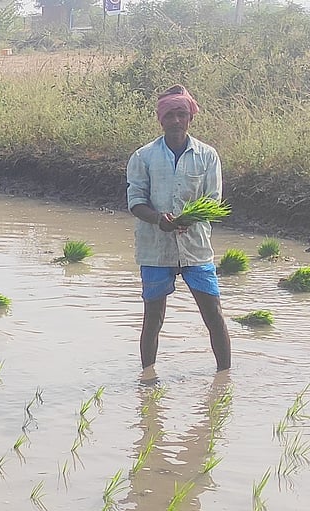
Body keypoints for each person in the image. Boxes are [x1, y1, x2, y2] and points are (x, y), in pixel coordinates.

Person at [126, 85, 230, 373]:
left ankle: (224, 379)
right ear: (160, 119)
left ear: (190, 118)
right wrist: (159, 219)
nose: (175, 120)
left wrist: (188, 220)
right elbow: (135, 202)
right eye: (169, 115)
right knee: (153, 318)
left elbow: (213, 200)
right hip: (155, 250)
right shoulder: (143, 157)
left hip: (196, 249)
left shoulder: (207, 156)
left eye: (181, 114)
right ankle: (148, 379)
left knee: (214, 315)